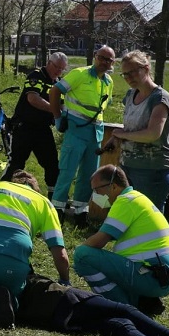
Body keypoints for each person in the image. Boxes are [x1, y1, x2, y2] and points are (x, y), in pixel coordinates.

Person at [0, 170, 71, 329]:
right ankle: (8, 299)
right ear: (36, 189)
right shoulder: (44, 203)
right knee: (16, 297)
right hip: (13, 257)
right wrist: (65, 280)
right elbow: (60, 254)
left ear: (13, 182)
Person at [74, 165, 169, 314]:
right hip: (161, 275)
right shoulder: (137, 198)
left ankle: (119, 307)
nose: (95, 195)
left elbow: (99, 241)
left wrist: (78, 251)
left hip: (153, 275)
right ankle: (142, 300)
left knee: (82, 255)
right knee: (106, 262)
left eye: (96, 190)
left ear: (113, 186)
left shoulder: (125, 201)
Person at [17, 273, 169, 336]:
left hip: (57, 320)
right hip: (64, 299)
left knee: (115, 324)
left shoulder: (7, 299)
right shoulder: (14, 274)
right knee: (124, 310)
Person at [49, 45, 115, 225]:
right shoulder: (80, 74)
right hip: (76, 129)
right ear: (95, 56)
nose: (104, 62)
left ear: (112, 63)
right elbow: (55, 91)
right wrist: (57, 117)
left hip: (95, 132)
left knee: (89, 174)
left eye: (109, 60)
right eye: (101, 57)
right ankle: (57, 208)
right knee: (68, 170)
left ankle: (80, 210)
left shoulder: (108, 81)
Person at [102, 51, 169, 211]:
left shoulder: (160, 98)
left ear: (146, 68)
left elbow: (153, 134)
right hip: (127, 166)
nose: (128, 78)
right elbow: (132, 129)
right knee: (127, 213)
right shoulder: (130, 95)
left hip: (152, 170)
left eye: (132, 72)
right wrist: (117, 138)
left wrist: (122, 135)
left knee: (147, 217)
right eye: (125, 74)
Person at [1, 52, 69, 199]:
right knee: (17, 162)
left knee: (52, 163)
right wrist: (54, 109)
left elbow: (62, 104)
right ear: (49, 63)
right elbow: (33, 99)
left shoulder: (58, 84)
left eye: (62, 69)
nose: (59, 71)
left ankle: (54, 197)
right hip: (24, 127)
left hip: (43, 129)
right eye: (57, 67)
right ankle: (1, 192)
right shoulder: (36, 76)